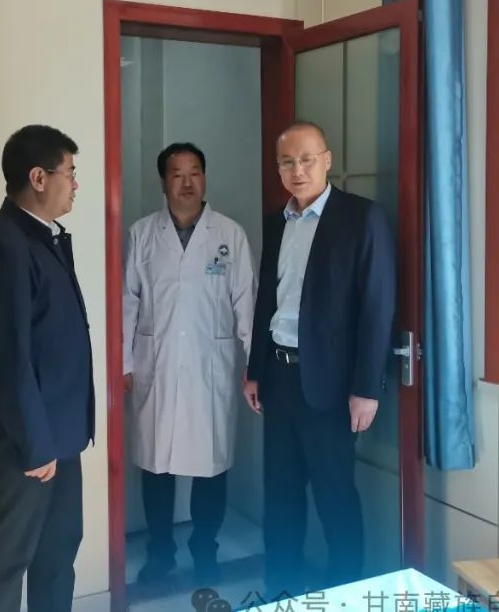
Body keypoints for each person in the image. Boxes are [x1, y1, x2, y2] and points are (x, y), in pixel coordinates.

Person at [246, 121, 396, 597]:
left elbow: (377, 307)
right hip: (279, 377)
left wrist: (367, 387)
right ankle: (280, 592)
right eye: (287, 162)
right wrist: (255, 370)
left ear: (327, 161)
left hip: (330, 385)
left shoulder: (361, 218)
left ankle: (344, 594)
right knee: (281, 494)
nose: (298, 170)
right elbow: (266, 302)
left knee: (335, 497)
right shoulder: (277, 222)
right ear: (278, 169)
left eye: (307, 159)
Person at [0, 124, 94, 612]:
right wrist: (36, 445)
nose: (75, 183)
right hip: (25, 445)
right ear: (39, 177)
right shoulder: (2, 247)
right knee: (4, 564)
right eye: (69, 172)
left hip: (59, 436)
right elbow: (6, 360)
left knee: (57, 556)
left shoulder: (43, 239)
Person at [123, 143, 256, 585]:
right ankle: (160, 552)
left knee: (210, 465)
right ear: (163, 181)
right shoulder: (142, 234)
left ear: (204, 178)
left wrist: (254, 365)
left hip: (210, 366)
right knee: (155, 464)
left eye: (194, 172)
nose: (186, 182)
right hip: (156, 365)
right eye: (176, 174)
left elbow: (246, 304)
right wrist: (124, 363)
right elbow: (127, 302)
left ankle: (205, 550)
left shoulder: (229, 234)